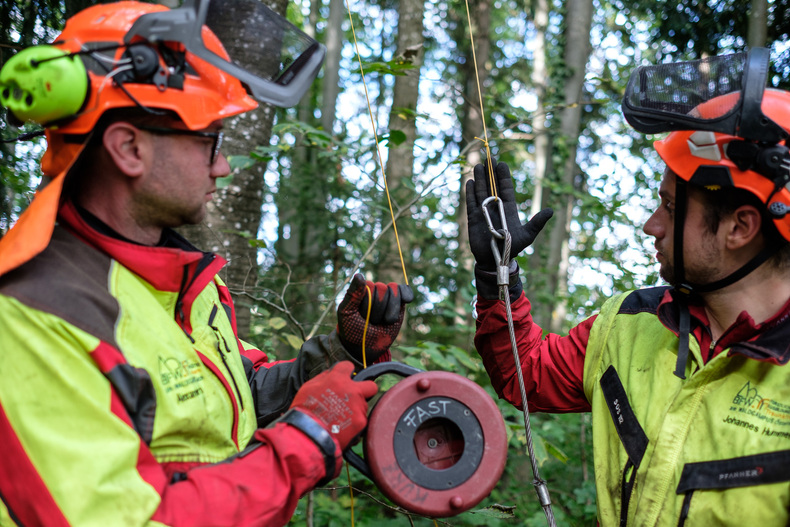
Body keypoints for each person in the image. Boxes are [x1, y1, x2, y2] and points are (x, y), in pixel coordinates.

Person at [0, 2, 412, 525]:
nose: (222, 164)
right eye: (209, 139)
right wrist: (307, 440)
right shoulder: (32, 316)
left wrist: (339, 354)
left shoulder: (178, 280)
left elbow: (235, 398)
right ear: (129, 148)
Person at [466, 50, 790, 526]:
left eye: (671, 209)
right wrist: (499, 275)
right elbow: (525, 373)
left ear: (739, 228)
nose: (650, 225)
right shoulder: (631, 321)